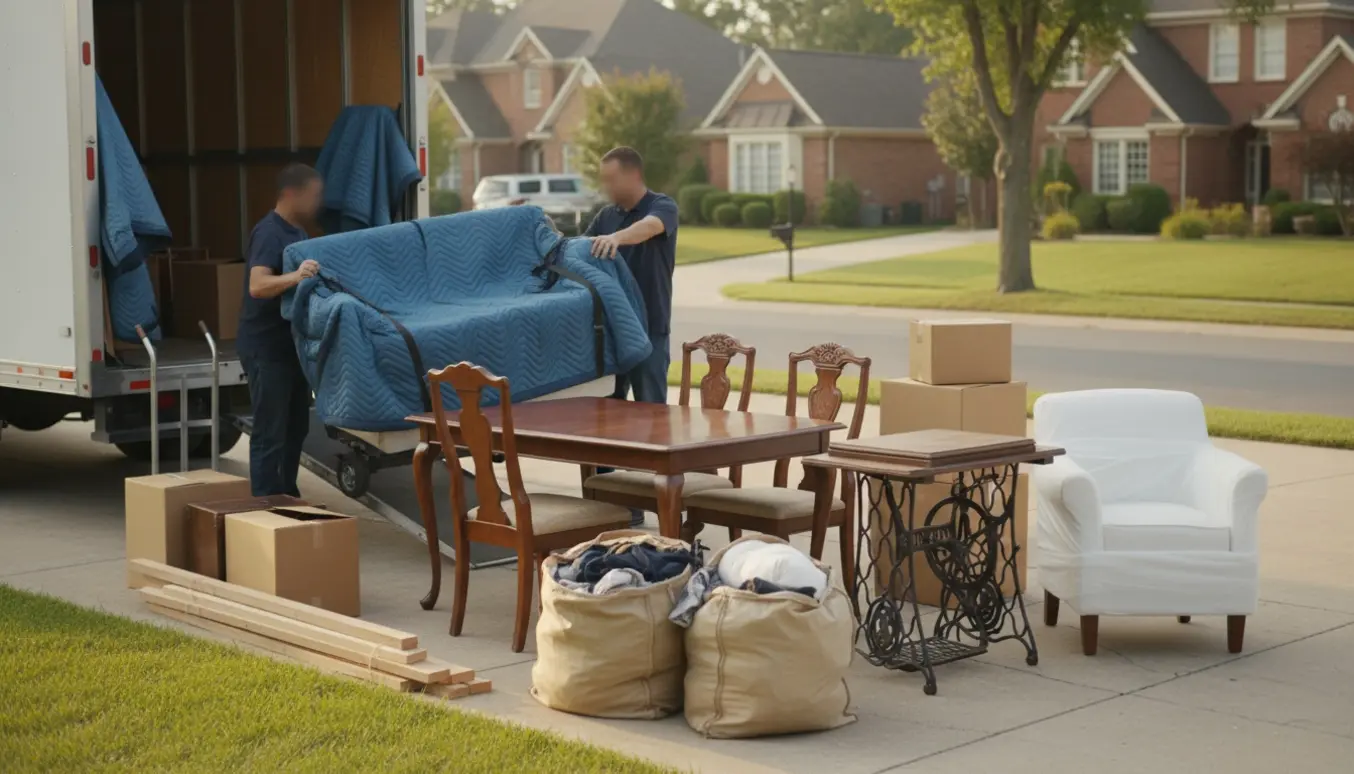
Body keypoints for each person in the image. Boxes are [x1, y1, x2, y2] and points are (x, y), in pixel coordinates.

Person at [583, 147, 680, 526]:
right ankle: (614, 504)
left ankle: (659, 504)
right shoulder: (605, 216)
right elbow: (578, 248)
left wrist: (617, 238)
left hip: (650, 332)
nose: (605, 186)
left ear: (632, 175)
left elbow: (650, 227)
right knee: (605, 419)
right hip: (611, 334)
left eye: (611, 178)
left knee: (651, 421)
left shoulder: (662, 206)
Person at [237, 164, 323, 497]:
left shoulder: (298, 234)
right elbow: (257, 286)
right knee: (270, 433)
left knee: (295, 429)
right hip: (266, 348)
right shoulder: (269, 232)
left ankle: (287, 495)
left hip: (291, 348)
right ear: (291, 193)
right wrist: (297, 277)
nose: (317, 202)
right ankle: (265, 507)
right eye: (313, 195)